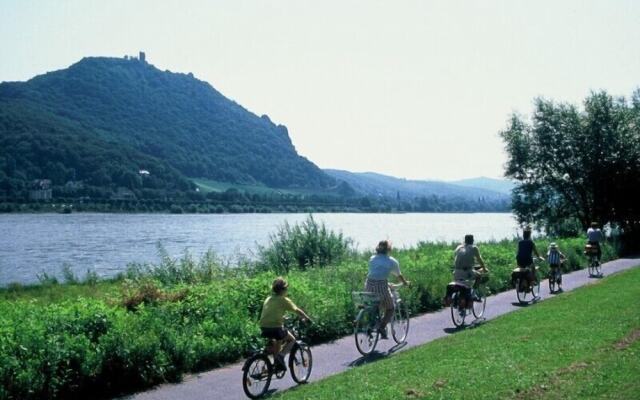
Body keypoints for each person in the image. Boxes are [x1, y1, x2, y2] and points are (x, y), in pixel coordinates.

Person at [259, 277, 311, 372]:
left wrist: (282, 318)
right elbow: (296, 310)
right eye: (286, 288)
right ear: (282, 290)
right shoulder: (284, 300)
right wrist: (306, 318)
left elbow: (270, 313)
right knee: (292, 340)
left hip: (264, 327)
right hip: (275, 328)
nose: (287, 290)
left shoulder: (269, 298)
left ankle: (272, 365)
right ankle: (280, 357)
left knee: (277, 341)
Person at [365, 240, 410, 339]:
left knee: (376, 304)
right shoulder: (392, 261)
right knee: (390, 308)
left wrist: (387, 283)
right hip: (381, 286)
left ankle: (373, 323)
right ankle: (382, 327)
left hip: (369, 284)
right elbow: (399, 275)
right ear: (389, 249)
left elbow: (376, 273)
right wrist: (405, 283)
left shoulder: (372, 258)